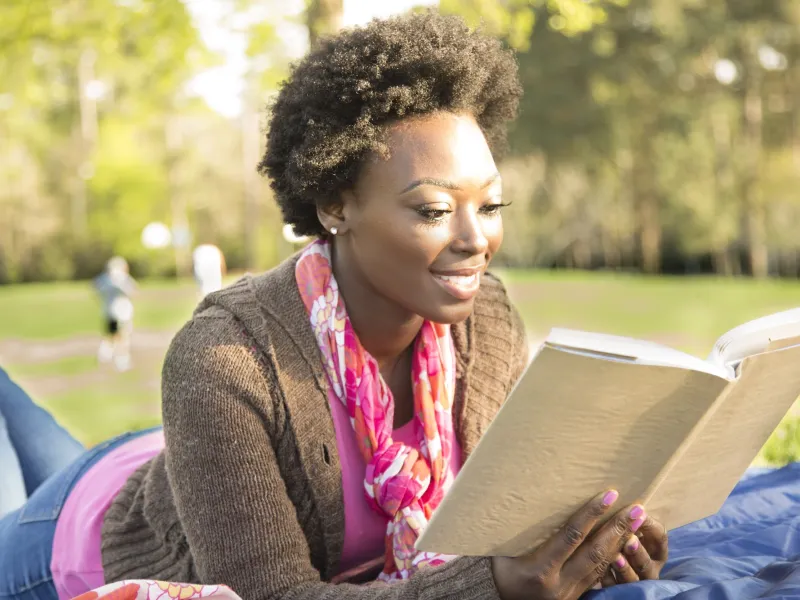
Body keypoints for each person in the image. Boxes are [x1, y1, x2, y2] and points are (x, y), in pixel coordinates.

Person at [0, 11, 669, 600]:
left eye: (490, 206)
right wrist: (488, 589)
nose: (476, 240)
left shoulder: (486, 322)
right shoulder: (225, 359)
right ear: (334, 206)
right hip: (70, 550)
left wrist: (601, 546)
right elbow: (271, 596)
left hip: (184, 466)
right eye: (434, 209)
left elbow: (507, 511)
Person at [93, 256, 137, 372]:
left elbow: (95, 289)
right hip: (122, 313)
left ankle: (105, 355)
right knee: (122, 336)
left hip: (110, 312)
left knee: (112, 334)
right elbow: (133, 291)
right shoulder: (122, 278)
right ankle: (121, 361)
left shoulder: (104, 279)